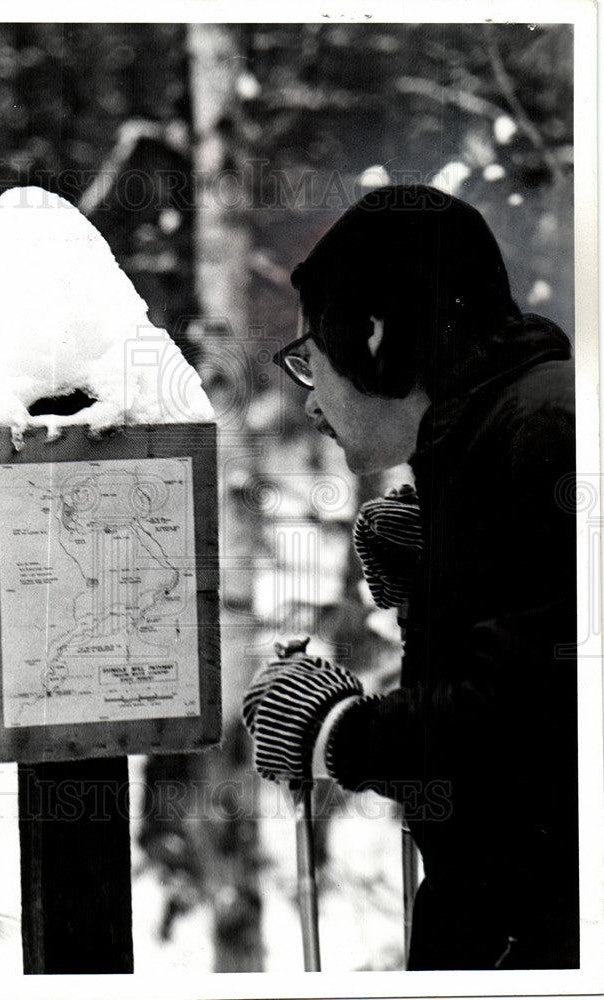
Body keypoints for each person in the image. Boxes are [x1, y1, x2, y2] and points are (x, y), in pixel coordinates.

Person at [242, 184, 578, 971]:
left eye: (309, 359)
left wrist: (339, 734)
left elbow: (529, 729)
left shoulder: (542, 435)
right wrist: (443, 578)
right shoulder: (507, 426)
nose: (311, 401)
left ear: (372, 336)